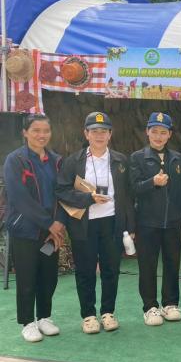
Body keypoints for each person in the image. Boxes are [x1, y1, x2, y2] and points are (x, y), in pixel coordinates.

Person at [56, 112, 135, 334]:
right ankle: (88, 315)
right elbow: (61, 190)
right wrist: (88, 198)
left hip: (112, 223)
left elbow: (128, 196)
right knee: (85, 270)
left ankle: (108, 312)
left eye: (103, 131)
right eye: (94, 131)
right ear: (86, 134)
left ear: (110, 134)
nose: (99, 135)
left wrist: (130, 226)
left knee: (111, 269)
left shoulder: (120, 160)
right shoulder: (73, 161)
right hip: (84, 224)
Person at [3, 114, 66, 342]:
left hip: (51, 232)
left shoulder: (57, 160)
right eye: (36, 130)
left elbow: (64, 194)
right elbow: (19, 198)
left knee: (49, 276)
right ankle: (28, 322)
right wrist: (48, 223)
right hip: (26, 230)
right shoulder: (15, 160)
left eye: (46, 130)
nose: (42, 135)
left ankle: (44, 317)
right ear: (25, 133)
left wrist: (58, 222)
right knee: (27, 277)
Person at [129, 112, 181, 326]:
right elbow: (132, 188)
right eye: (155, 131)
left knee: (172, 264)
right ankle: (150, 307)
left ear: (169, 135)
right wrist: (152, 182)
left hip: (173, 223)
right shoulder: (137, 158)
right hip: (147, 223)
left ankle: (170, 303)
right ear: (147, 132)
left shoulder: (178, 158)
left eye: (163, 132)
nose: (158, 136)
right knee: (147, 266)